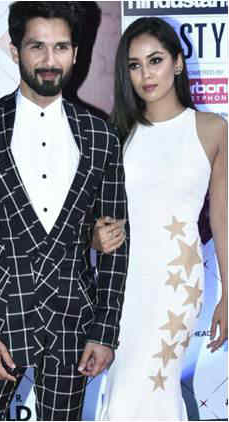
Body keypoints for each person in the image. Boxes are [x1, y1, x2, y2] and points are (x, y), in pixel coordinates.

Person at [0, 2, 129, 420]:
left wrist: (104, 331)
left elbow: (116, 243)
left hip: (71, 325)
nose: (49, 60)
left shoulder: (100, 136)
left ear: (75, 54)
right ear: (15, 51)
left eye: (60, 47)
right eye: (36, 46)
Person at [92, 17, 227, 419]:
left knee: (155, 385)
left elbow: (222, 217)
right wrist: (95, 236)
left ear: (178, 62)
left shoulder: (212, 129)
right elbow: (91, 214)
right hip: (121, 282)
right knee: (122, 389)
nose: (146, 74)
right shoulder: (116, 132)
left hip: (175, 282)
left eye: (155, 60)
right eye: (134, 65)